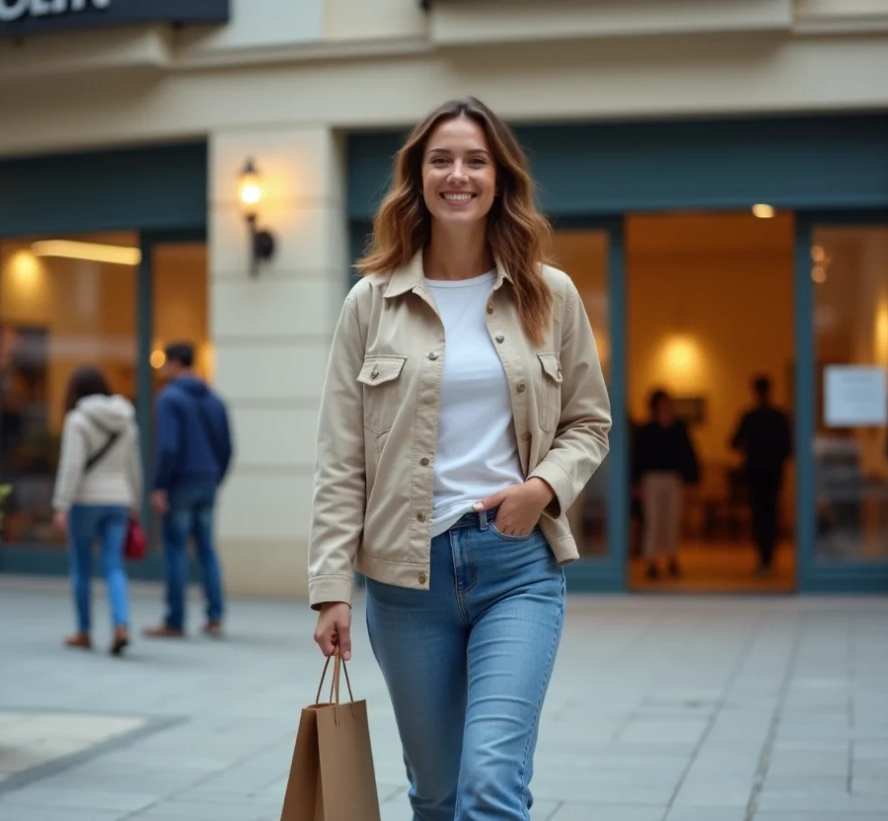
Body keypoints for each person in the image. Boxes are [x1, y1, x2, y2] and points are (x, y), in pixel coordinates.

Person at [308, 97, 611, 820]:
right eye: (441, 159)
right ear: (417, 178)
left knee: (490, 785)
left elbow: (589, 422)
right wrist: (331, 586)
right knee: (439, 792)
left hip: (518, 569)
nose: (459, 174)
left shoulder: (551, 294)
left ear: (500, 179)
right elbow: (340, 456)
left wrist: (542, 487)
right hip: (406, 581)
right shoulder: (370, 302)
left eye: (476, 160)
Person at [143, 341, 234, 639]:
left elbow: (168, 447)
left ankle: (174, 620)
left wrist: (159, 486)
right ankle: (215, 616)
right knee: (206, 549)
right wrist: (214, 477)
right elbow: (227, 447)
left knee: (175, 550)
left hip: (181, 483)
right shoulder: (215, 399)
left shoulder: (169, 399)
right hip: (207, 482)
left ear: (174, 363)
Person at [51, 365, 142, 656]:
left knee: (81, 566)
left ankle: (84, 631)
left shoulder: (77, 420)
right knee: (114, 565)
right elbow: (134, 467)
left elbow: (72, 465)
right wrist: (135, 504)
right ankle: (121, 625)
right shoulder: (127, 420)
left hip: (85, 501)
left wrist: (62, 503)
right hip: (118, 500)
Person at [633, 388, 700, 580]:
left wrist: (691, 481)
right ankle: (652, 561)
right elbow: (639, 457)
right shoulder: (647, 429)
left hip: (673, 479)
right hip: (652, 479)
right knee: (653, 520)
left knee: (671, 520)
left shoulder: (679, 428)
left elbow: (688, 455)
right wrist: (636, 483)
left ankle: (672, 557)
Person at [730, 374, 792, 574]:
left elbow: (733, 442)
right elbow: (789, 447)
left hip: (756, 473)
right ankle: (769, 558)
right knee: (771, 514)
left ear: (755, 391)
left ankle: (763, 559)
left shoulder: (750, 416)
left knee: (759, 516)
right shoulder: (780, 416)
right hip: (773, 472)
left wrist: (751, 450)